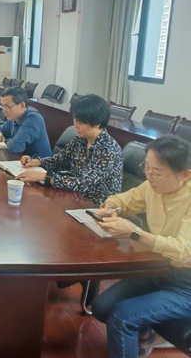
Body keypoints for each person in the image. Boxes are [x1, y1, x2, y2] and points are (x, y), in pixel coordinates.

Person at [92, 136, 191, 358]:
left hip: (187, 285)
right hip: (159, 269)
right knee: (101, 307)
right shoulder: (151, 187)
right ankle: (145, 334)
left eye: (157, 172)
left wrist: (134, 233)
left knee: (122, 318)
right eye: (146, 168)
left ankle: (139, 332)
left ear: (185, 175)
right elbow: (124, 200)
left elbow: (184, 250)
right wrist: (110, 207)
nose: (149, 176)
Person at [17, 94, 122, 206]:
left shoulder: (108, 150)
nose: (75, 126)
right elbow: (60, 160)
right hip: (73, 197)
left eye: (80, 123)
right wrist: (38, 161)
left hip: (96, 207)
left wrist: (45, 177)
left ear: (97, 123)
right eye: (75, 120)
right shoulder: (80, 140)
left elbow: (83, 184)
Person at [0, 86, 52, 157]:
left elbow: (16, 147)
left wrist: (6, 140)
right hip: (21, 160)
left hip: (38, 163)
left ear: (22, 105)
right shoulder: (14, 118)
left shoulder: (34, 119)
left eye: (7, 107)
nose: (3, 111)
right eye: (2, 106)